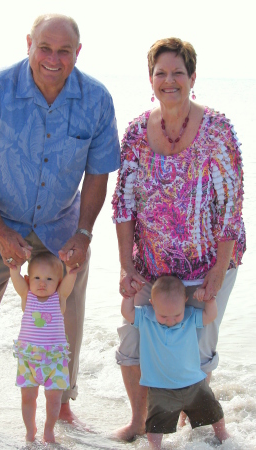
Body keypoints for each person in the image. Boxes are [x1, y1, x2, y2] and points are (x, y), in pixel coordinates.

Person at [0, 13, 120, 442]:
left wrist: (84, 233)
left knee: (66, 316)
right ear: (28, 43)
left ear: (77, 53)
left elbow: (99, 174)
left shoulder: (97, 100)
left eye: (64, 50)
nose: (53, 58)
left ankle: (63, 402)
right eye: (45, 47)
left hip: (59, 227)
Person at [111, 37, 245, 441]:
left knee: (198, 349)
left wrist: (218, 274)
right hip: (150, 267)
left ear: (193, 77)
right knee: (132, 342)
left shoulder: (218, 131)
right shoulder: (136, 132)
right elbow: (123, 205)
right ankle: (140, 421)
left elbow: (231, 212)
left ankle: (192, 419)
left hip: (209, 265)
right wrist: (126, 265)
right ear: (150, 79)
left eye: (178, 73)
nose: (169, 81)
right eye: (160, 73)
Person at [122, 276, 229, 449]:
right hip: (160, 387)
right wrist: (128, 296)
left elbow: (210, 316)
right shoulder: (146, 317)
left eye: (176, 315)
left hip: (194, 383)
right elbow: (128, 313)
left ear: (185, 302)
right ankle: (155, 447)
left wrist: (210, 300)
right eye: (163, 316)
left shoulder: (189, 316)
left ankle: (222, 435)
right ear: (152, 304)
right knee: (155, 423)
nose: (170, 321)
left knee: (213, 411)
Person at [10, 252, 76, 443]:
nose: (42, 283)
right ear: (28, 279)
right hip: (28, 360)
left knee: (54, 399)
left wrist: (71, 270)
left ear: (58, 282)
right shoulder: (27, 296)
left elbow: (69, 283)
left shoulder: (59, 298)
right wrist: (14, 269)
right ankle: (30, 430)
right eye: (37, 278)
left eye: (49, 279)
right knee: (27, 398)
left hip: (54, 361)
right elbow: (16, 278)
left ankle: (49, 430)